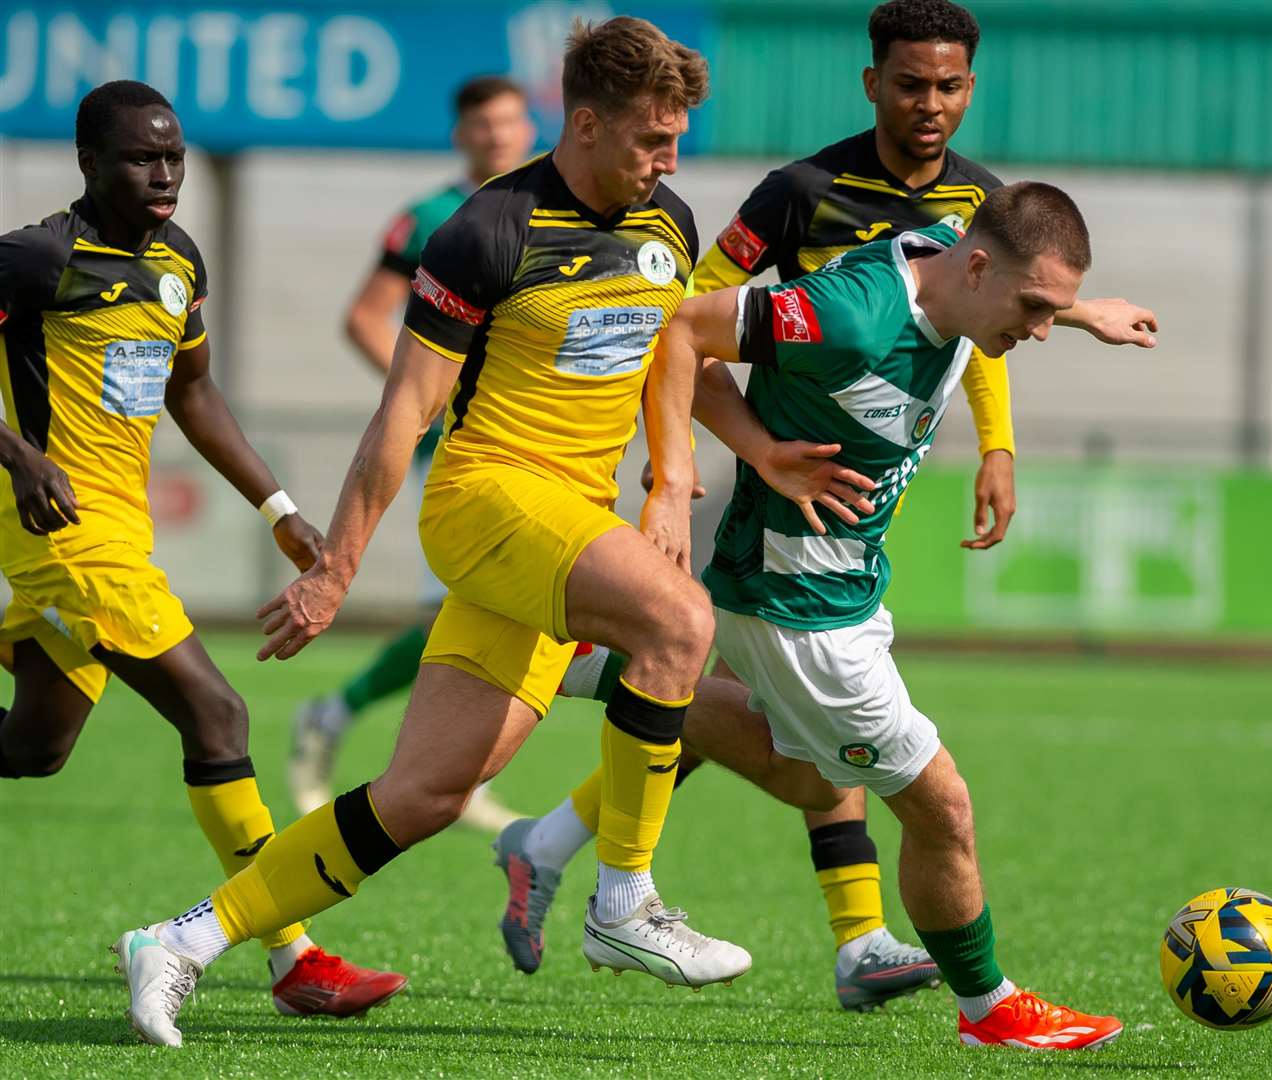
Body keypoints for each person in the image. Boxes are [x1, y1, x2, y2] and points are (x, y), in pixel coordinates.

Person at [108, 18, 821, 1048]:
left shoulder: (664, 219)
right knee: (678, 621)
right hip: (487, 500)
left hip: (570, 521)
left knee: (428, 792)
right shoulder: (487, 231)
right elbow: (402, 414)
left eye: (676, 141)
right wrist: (333, 572)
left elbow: (680, 357)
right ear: (583, 122)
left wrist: (713, 466)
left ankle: (179, 941)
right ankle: (624, 901)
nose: (669, 161)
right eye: (650, 140)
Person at [496, 0, 1157, 1013]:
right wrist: (699, 464)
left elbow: (985, 297)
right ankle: (925, 976)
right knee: (918, 790)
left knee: (800, 761)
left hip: (851, 534)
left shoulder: (973, 214)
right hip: (784, 500)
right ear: (873, 84)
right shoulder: (807, 197)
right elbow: (683, 314)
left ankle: (586, 732)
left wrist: (1029, 393)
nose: (929, 104)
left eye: (948, 87)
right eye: (910, 84)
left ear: (969, 90)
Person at [0, 80, 406, 1032]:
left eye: (174, 155)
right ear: (90, 163)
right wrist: (18, 452)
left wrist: (279, 510)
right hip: (69, 540)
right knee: (217, 715)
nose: (166, 173)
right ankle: (294, 957)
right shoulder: (35, 259)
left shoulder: (179, 259)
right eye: (144, 157)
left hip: (121, 537)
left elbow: (194, 392)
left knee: (36, 746)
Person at [691, 181, 1126, 1050]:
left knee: (815, 780)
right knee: (942, 809)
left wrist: (1081, 314)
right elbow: (682, 333)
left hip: (841, 590)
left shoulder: (946, 258)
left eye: (1052, 314)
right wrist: (758, 455)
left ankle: (605, 663)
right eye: (1035, 310)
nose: (1036, 331)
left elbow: (992, 273)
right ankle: (988, 1009)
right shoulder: (854, 315)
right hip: (800, 604)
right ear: (975, 266)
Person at [289, 75, 536, 832]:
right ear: (460, 135)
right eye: (482, 125)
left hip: (541, 442)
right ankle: (363, 726)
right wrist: (423, 400)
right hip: (467, 446)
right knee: (489, 607)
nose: (497, 137)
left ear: (531, 129)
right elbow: (365, 320)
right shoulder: (433, 217)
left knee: (478, 613)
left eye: (509, 123)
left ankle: (397, 745)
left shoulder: (558, 208)